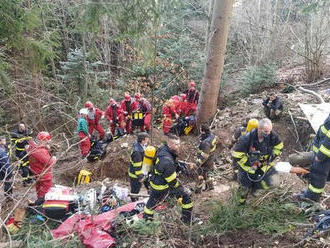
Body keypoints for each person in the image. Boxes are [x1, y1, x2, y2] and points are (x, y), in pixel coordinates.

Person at [143, 134, 193, 224]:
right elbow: (173, 182)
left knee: (151, 204)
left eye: (179, 144)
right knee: (186, 195)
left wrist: (182, 165)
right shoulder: (167, 162)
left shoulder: (163, 149)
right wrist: (181, 187)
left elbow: (170, 161)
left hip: (154, 182)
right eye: (176, 144)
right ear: (170, 145)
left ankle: (146, 221)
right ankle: (187, 221)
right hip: (163, 187)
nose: (179, 146)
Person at [232, 118, 283, 204]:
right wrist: (250, 164)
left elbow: (279, 146)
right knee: (244, 186)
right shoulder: (246, 139)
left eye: (270, 131)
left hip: (264, 164)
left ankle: (255, 191)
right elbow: (236, 154)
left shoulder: (272, 135)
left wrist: (272, 157)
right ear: (259, 129)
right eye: (266, 131)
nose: (269, 133)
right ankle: (240, 203)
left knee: (270, 181)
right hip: (248, 167)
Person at [297, 114, 330, 202]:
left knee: (318, 176)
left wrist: (320, 156)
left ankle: (311, 197)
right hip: (321, 153)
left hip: (324, 157)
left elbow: (328, 144)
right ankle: (311, 193)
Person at [27, 131, 56, 205]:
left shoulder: (33, 147)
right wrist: (54, 158)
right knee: (45, 194)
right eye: (47, 142)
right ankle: (41, 207)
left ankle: (39, 204)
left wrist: (46, 148)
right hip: (44, 175)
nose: (48, 144)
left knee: (40, 191)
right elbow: (49, 162)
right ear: (43, 140)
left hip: (37, 173)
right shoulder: (39, 151)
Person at [195, 125, 217, 193]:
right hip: (211, 158)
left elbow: (205, 155)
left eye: (201, 130)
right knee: (206, 174)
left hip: (206, 161)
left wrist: (198, 163)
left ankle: (198, 190)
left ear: (203, 131)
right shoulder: (212, 136)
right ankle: (210, 186)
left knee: (200, 175)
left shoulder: (206, 142)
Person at [128, 132, 150, 202]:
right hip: (136, 175)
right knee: (135, 190)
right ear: (143, 140)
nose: (148, 140)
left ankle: (151, 198)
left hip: (144, 172)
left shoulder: (141, 146)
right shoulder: (137, 152)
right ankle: (134, 202)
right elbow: (137, 166)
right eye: (147, 139)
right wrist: (140, 177)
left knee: (149, 186)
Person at [0, 136, 13, 201]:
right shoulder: (1, 151)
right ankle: (8, 197)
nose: (5, 142)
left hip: (6, 168)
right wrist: (8, 173)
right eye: (3, 141)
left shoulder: (4, 148)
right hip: (4, 170)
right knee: (7, 183)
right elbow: (4, 163)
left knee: (8, 183)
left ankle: (9, 195)